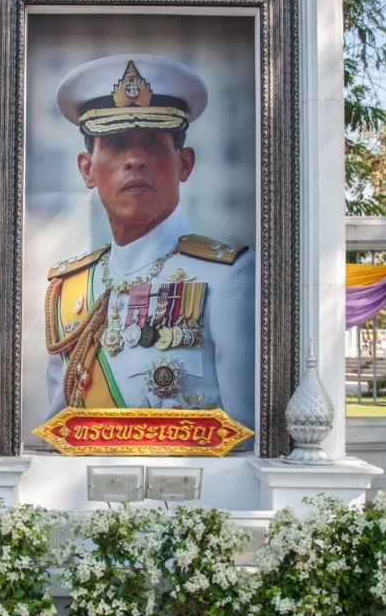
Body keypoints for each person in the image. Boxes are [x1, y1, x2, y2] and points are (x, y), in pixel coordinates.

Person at [44, 54, 256, 436]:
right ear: (87, 169)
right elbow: (64, 430)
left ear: (185, 163)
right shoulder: (69, 288)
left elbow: (248, 433)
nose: (135, 160)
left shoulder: (231, 276)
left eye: (153, 144)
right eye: (115, 144)